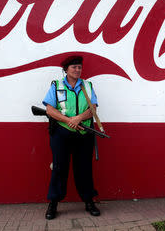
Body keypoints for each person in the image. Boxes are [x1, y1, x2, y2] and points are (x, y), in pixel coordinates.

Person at [42, 55, 100, 219]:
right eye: (74, 67)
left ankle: (89, 201)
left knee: (84, 169)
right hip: (61, 133)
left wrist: (78, 119)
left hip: (84, 132)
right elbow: (50, 110)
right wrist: (69, 121)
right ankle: (53, 203)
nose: (77, 70)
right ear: (66, 70)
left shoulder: (87, 86)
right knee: (59, 168)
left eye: (79, 67)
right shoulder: (57, 85)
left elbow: (93, 108)